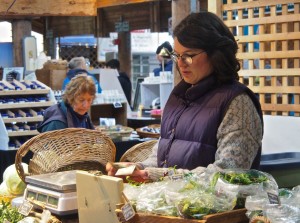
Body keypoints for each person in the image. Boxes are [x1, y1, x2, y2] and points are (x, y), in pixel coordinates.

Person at [107, 11, 264, 182]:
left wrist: (154, 175)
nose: (180, 63)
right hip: (170, 204)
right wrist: (139, 168)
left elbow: (227, 174)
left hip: (213, 208)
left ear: (215, 54)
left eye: (188, 56)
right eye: (177, 55)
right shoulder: (179, 96)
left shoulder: (237, 103)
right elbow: (162, 156)